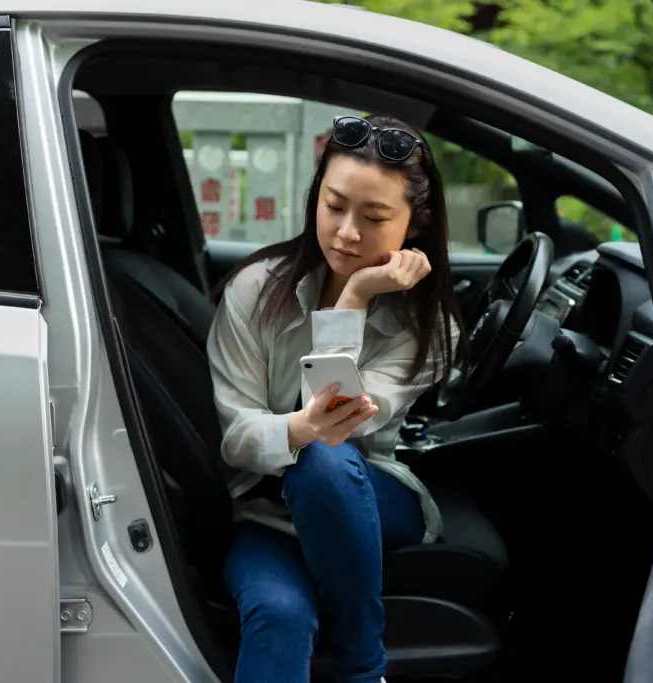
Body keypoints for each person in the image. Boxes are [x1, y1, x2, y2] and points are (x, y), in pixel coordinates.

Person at [207, 114, 466, 683]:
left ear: (415, 226)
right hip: (266, 510)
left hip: (370, 493)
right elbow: (237, 437)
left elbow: (340, 424)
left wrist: (353, 298)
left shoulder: (430, 327)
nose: (347, 232)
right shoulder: (255, 289)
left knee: (324, 463)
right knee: (278, 613)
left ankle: (360, 667)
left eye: (374, 218)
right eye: (333, 206)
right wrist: (297, 430)